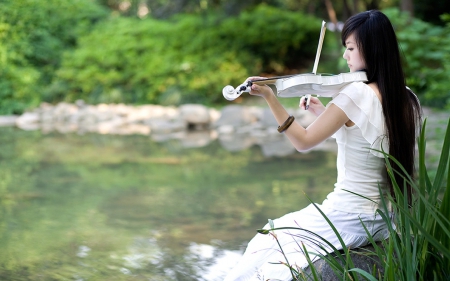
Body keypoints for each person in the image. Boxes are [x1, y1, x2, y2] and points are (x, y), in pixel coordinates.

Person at [224, 10, 422, 281]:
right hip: (387, 219)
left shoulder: (356, 92)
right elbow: (367, 140)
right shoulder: (409, 99)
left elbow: (303, 142)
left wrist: (270, 97)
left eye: (350, 48)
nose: (345, 56)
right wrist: (324, 113)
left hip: (350, 214)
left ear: (373, 49)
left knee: (269, 238)